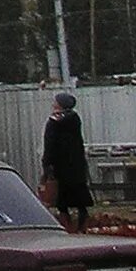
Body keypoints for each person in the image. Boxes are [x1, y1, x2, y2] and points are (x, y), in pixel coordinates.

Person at [41, 90, 91, 229]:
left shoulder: (54, 122)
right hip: (76, 165)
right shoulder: (75, 119)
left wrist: (46, 163)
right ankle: (82, 221)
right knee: (79, 195)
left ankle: (67, 223)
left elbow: (49, 144)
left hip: (60, 165)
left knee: (61, 198)